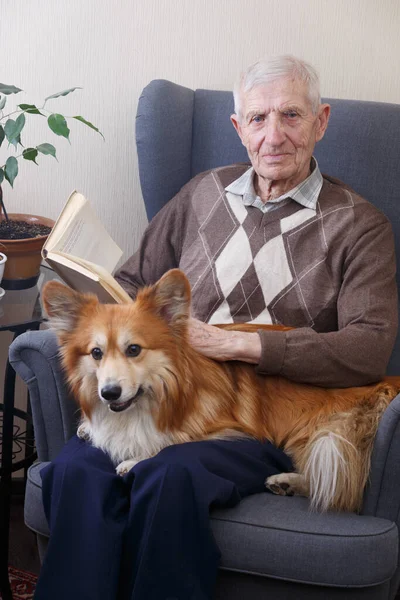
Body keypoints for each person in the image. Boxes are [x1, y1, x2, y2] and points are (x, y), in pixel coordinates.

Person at [34, 55, 397, 600]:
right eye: (257, 118)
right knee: (76, 471)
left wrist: (238, 344)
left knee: (166, 477)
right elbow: (132, 281)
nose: (273, 135)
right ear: (237, 128)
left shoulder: (360, 224)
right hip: (159, 394)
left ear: (321, 121)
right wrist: (86, 302)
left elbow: (368, 349)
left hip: (252, 418)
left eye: (291, 116)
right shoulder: (201, 192)